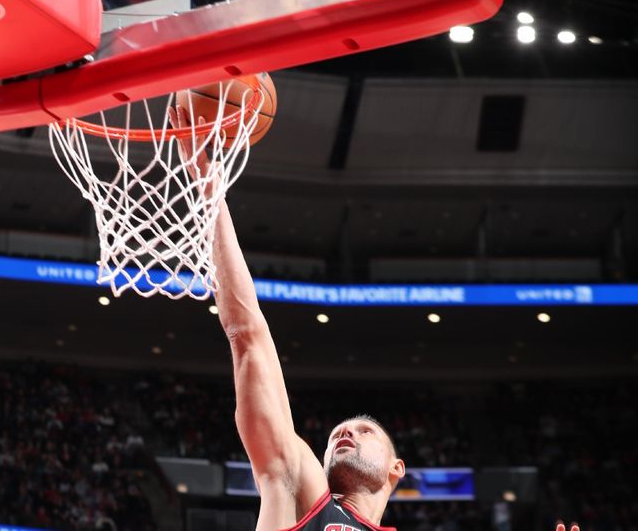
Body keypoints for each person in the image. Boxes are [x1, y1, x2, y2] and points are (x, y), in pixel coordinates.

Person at [171, 105, 582, 531]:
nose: (343, 435)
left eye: (364, 433)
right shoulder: (296, 487)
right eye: (337, 436)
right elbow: (247, 333)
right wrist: (205, 180)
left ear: (396, 468)